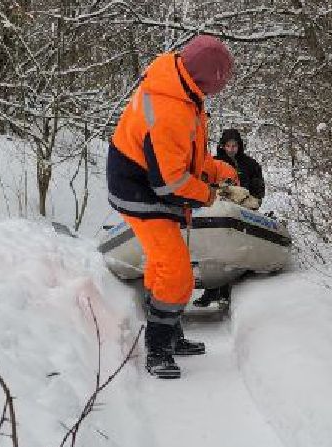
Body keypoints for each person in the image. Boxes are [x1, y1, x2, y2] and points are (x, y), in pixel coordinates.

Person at [105, 35, 251, 379]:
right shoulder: (170, 108)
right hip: (140, 191)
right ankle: (157, 348)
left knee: (163, 265)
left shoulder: (183, 91)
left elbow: (186, 157)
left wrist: (219, 171)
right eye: (222, 81)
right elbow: (170, 182)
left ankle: (170, 335)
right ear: (209, 79)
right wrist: (208, 194)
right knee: (177, 273)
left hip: (150, 184)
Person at [193, 127, 266, 309]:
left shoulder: (250, 165)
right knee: (214, 252)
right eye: (228, 146)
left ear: (239, 146)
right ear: (223, 146)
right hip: (217, 212)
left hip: (242, 211)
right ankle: (212, 290)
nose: (231, 149)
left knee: (234, 253)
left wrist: (252, 202)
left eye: (234, 146)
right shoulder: (213, 163)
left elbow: (258, 189)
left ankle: (226, 291)